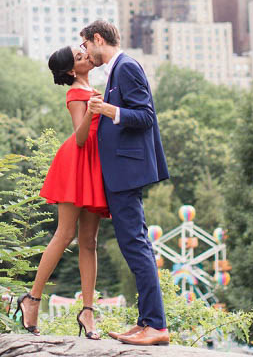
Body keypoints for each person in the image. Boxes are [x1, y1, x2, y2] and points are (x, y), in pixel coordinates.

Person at [81, 20, 170, 346]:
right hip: (122, 171)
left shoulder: (127, 67)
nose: (87, 53)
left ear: (98, 39)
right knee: (136, 244)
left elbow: (145, 116)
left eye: (87, 46)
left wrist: (107, 109)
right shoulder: (118, 71)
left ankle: (155, 325)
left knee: (135, 245)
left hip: (127, 172)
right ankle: (147, 321)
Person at [14, 45, 109, 340]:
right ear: (71, 70)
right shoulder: (75, 94)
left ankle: (88, 311)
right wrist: (93, 112)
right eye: (80, 58)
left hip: (95, 165)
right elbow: (79, 137)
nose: (86, 57)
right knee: (64, 234)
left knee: (90, 242)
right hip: (76, 162)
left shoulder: (91, 87)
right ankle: (32, 299)